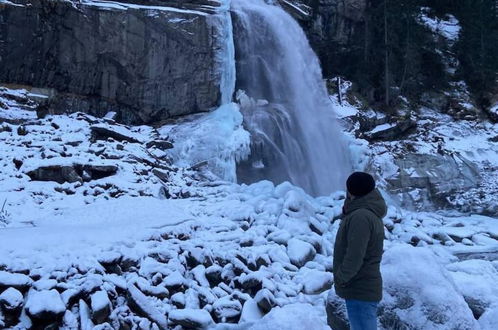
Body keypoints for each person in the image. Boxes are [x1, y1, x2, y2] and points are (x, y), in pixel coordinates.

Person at [331, 172, 387, 330]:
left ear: (351, 191)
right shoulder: (366, 212)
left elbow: (355, 255)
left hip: (359, 288)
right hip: (363, 286)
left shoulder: (360, 217)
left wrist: (341, 278)